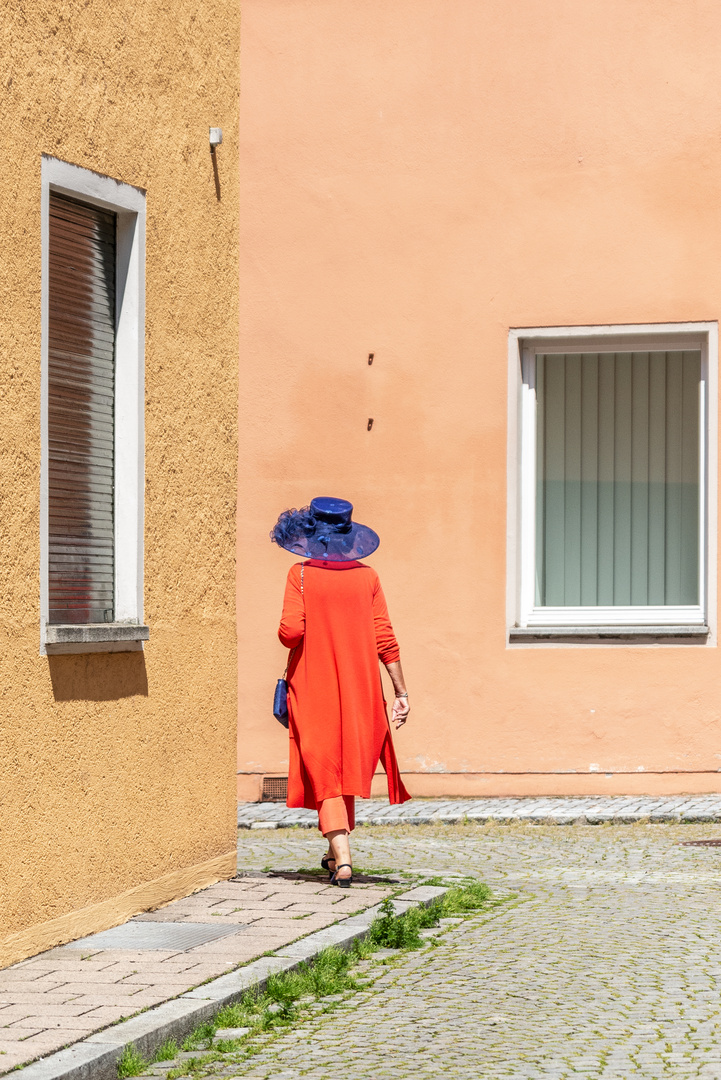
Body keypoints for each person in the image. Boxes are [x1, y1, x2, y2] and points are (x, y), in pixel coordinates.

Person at [271, 497, 410, 887]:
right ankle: (335, 857)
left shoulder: (299, 574)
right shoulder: (368, 577)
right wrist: (401, 692)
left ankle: (344, 860)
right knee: (342, 764)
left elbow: (290, 633)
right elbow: (386, 638)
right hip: (359, 684)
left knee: (326, 768)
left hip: (314, 684)